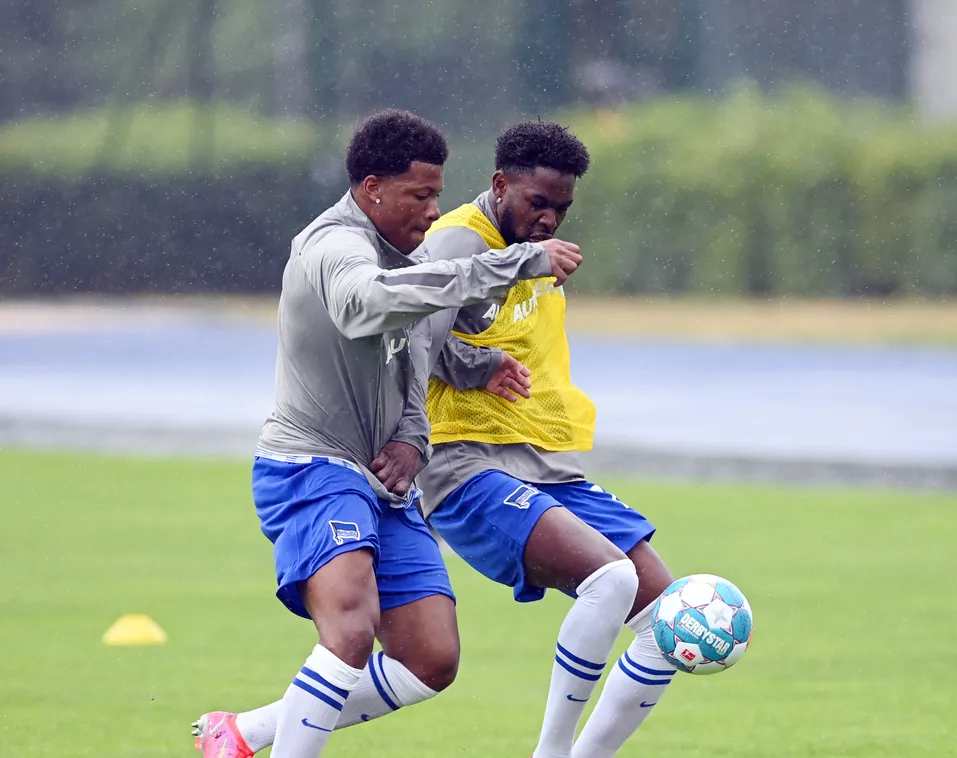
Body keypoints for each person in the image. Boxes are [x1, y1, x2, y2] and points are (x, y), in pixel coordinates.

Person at [191, 109, 582, 758]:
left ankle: (240, 733)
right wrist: (508, 264)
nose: (434, 210)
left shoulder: (401, 254)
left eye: (437, 193)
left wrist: (415, 437)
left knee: (430, 658)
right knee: (349, 632)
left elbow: (410, 360)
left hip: (381, 480)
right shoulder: (334, 247)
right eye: (420, 195)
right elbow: (368, 304)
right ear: (372, 188)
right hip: (310, 468)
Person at [414, 120, 680, 758]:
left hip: (539, 464)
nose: (550, 220)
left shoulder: (535, 255)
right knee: (611, 582)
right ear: (500, 184)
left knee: (668, 622)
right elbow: (407, 337)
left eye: (562, 209)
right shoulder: (456, 241)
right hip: (461, 464)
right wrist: (480, 365)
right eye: (538, 203)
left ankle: (250, 732)